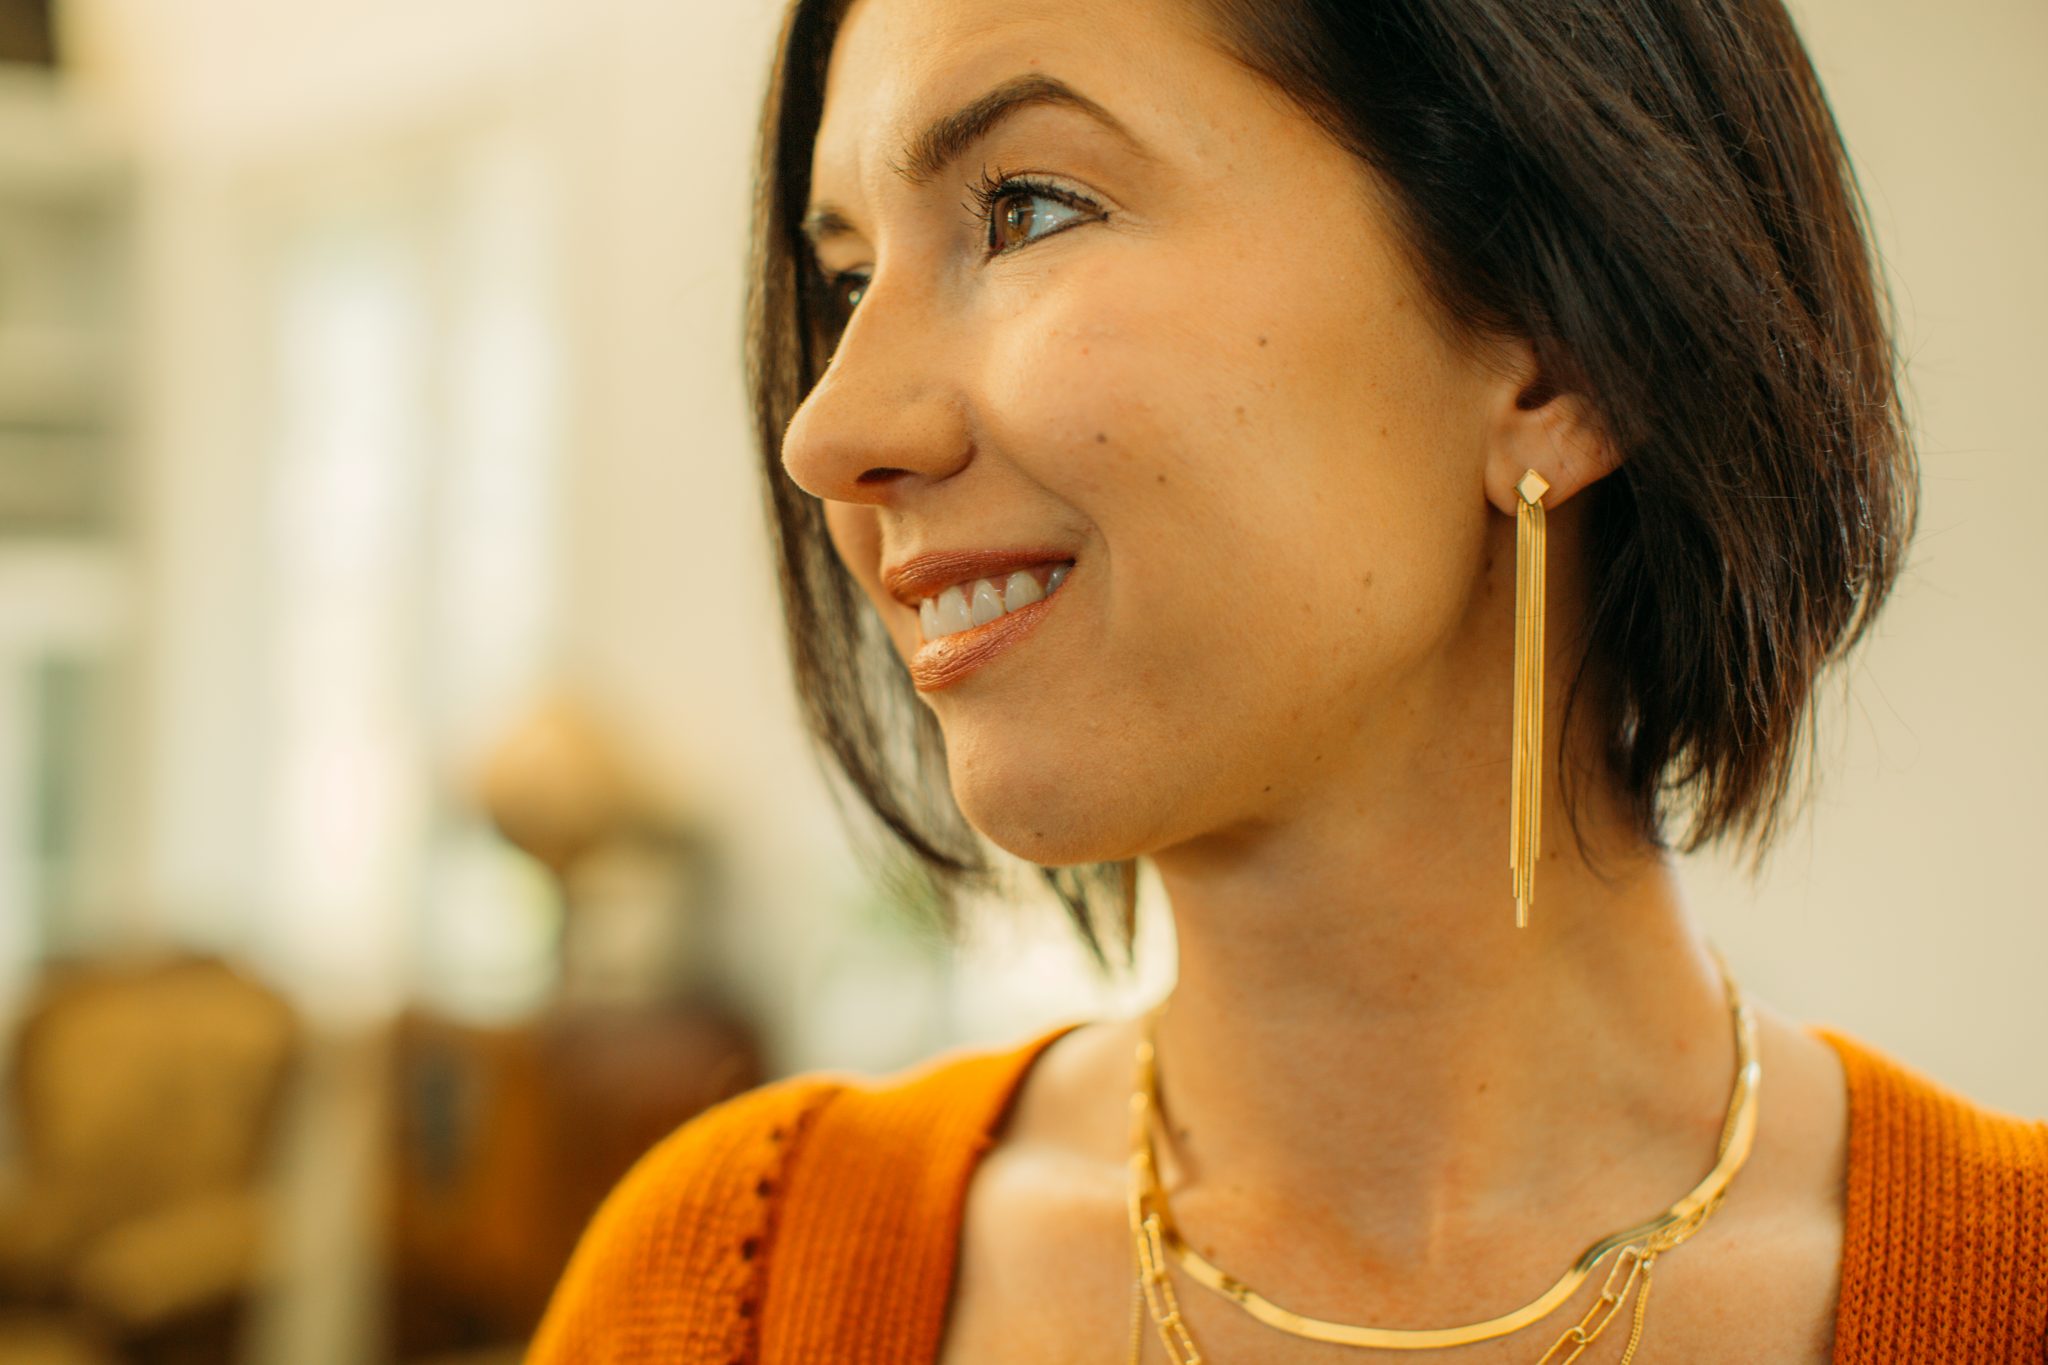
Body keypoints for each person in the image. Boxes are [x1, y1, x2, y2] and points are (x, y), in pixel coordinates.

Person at [527, 0, 2048, 1361]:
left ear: (1553, 351)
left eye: (1029, 208)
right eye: (846, 273)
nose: (829, 427)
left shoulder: (2005, 1291)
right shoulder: (723, 1292)